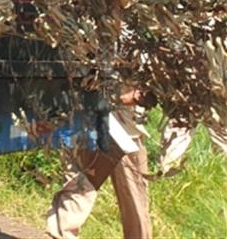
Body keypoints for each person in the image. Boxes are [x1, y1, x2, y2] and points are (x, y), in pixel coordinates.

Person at [46, 87, 151, 239]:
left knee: (136, 203)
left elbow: (163, 84)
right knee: (79, 185)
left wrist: (139, 95)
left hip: (128, 129)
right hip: (89, 121)